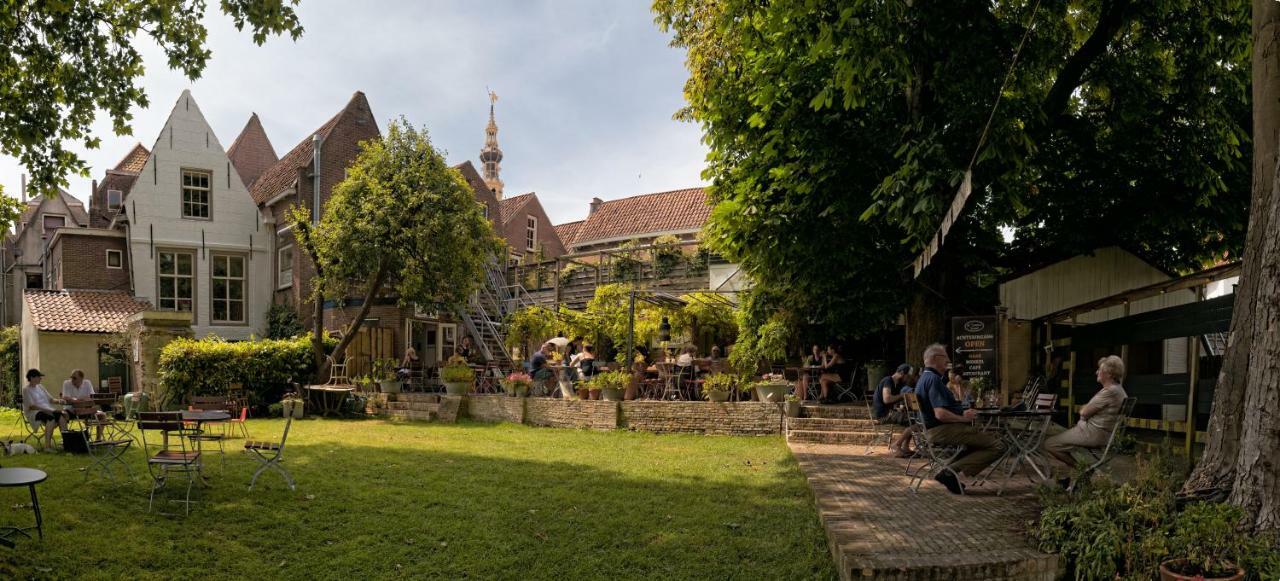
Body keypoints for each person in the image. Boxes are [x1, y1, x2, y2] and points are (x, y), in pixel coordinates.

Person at [915, 344, 1004, 495]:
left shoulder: (924, 378)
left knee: (977, 442)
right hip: (941, 430)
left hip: (935, 429)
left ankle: (948, 474)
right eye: (946, 359)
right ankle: (949, 472)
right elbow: (940, 414)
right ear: (935, 359)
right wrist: (963, 418)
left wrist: (962, 412)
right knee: (998, 445)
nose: (948, 363)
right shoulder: (933, 380)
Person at [1042, 356, 1130, 483]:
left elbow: (1083, 411)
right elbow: (1086, 412)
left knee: (1050, 444)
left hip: (1092, 433)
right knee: (1062, 441)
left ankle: (1082, 470)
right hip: (1102, 433)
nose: (1096, 372)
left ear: (1109, 374)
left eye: (1099, 370)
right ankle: (1079, 474)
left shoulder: (1108, 392)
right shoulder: (1119, 390)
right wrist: (1085, 414)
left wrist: (1084, 415)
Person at [21, 369, 68, 452]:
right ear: (32, 378)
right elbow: (32, 406)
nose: (41, 378)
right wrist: (48, 410)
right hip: (34, 412)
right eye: (39, 377)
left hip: (47, 410)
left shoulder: (40, 387)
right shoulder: (26, 390)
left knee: (61, 416)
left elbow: (51, 400)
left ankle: (67, 443)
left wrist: (60, 401)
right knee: (51, 418)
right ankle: (47, 446)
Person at [873, 364, 915, 457]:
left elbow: (894, 401)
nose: (908, 379)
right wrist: (903, 395)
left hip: (890, 412)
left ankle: (905, 447)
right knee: (914, 421)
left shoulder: (898, 384)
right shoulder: (887, 380)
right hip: (883, 415)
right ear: (901, 373)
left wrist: (900, 407)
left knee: (912, 417)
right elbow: (887, 399)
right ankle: (897, 444)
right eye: (907, 376)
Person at [61, 369, 106, 440]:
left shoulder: (87, 383)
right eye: (71, 377)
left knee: (102, 415)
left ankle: (98, 439)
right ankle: (67, 439)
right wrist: (81, 400)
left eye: (74, 378)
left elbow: (91, 397)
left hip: (86, 410)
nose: (72, 379)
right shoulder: (67, 383)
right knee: (62, 415)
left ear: (81, 378)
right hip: (71, 411)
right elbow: (66, 397)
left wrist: (75, 400)